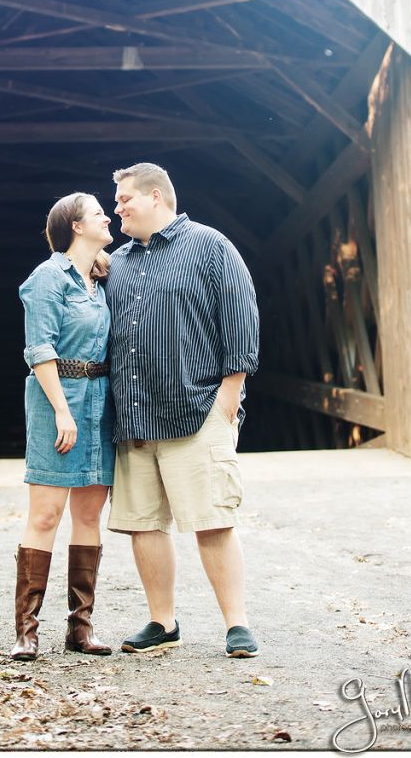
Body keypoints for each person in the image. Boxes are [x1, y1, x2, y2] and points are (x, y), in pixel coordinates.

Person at [105, 162, 260, 659]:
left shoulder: (209, 245)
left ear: (156, 196)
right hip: (134, 418)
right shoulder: (119, 263)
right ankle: (161, 620)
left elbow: (240, 315)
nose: (118, 207)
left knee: (212, 520)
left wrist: (229, 398)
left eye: (125, 199)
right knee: (143, 524)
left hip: (195, 410)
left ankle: (236, 624)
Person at [12, 192, 115, 661]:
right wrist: (61, 410)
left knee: (90, 517)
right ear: (75, 226)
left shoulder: (102, 280)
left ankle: (81, 628)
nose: (108, 216)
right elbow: (39, 350)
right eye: (97, 213)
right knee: (46, 516)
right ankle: (27, 631)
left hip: (99, 403)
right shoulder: (47, 278)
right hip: (58, 401)